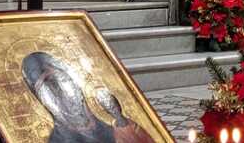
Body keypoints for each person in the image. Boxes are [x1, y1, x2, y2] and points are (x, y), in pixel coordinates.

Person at [21, 52, 154, 143]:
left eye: (63, 81)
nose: (63, 92)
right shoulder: (58, 140)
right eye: (51, 87)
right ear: (43, 100)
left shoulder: (121, 126)